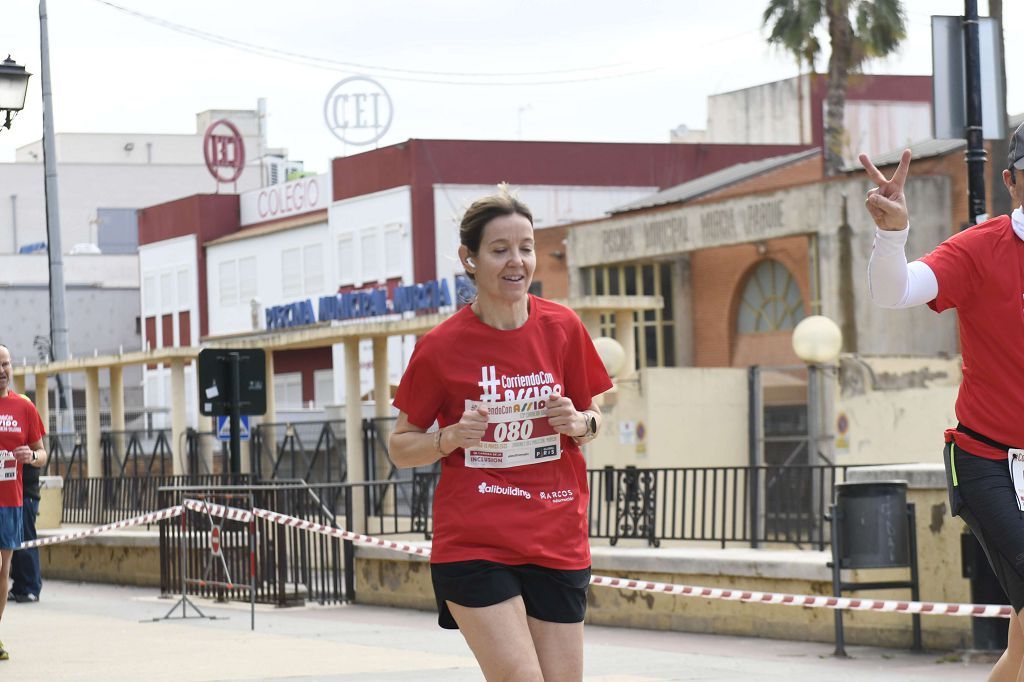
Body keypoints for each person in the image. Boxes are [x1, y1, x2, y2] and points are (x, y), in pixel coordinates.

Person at [388, 186, 612, 682]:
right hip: (476, 542)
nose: (517, 261)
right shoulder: (441, 347)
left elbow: (593, 414)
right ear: (470, 258)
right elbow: (401, 445)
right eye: (500, 249)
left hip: (557, 537)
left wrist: (580, 423)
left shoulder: (563, 328)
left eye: (526, 247)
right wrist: (449, 437)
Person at [863, 122, 1024, 681]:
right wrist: (892, 235)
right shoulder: (981, 247)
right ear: (1009, 180)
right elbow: (896, 291)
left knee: (1023, 652)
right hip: (988, 463)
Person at [0, 344, 46, 661]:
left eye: (6, 363)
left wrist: (30, 456)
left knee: (4, 570)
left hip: (11, 500)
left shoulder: (24, 408)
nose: (2, 370)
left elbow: (42, 454)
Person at [9, 390, 48, 605]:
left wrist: (30, 458)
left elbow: (40, 455)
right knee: (13, 543)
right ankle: (19, 586)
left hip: (27, 493)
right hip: (11, 492)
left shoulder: (28, 416)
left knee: (26, 540)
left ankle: (32, 587)